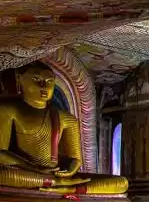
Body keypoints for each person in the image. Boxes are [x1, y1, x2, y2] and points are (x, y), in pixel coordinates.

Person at [0, 62, 128, 194]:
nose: (44, 86)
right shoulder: (7, 110)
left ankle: (69, 188)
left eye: (49, 81)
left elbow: (75, 159)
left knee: (121, 183)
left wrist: (70, 169)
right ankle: (59, 185)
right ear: (18, 78)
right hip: (24, 172)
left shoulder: (66, 119)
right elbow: (1, 153)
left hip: (56, 174)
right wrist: (33, 167)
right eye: (36, 79)